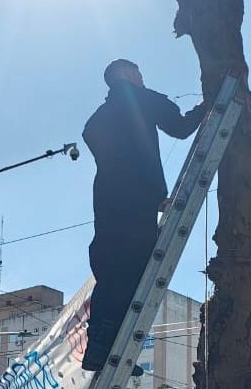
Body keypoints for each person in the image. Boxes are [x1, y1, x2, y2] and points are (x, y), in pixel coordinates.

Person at [81, 60, 207, 370]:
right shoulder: (142, 98)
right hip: (136, 202)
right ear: (126, 74)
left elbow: (91, 137)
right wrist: (207, 106)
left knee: (110, 271)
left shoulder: (100, 116)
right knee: (134, 272)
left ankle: (103, 348)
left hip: (108, 199)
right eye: (138, 72)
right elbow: (180, 128)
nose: (142, 77)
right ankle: (113, 348)